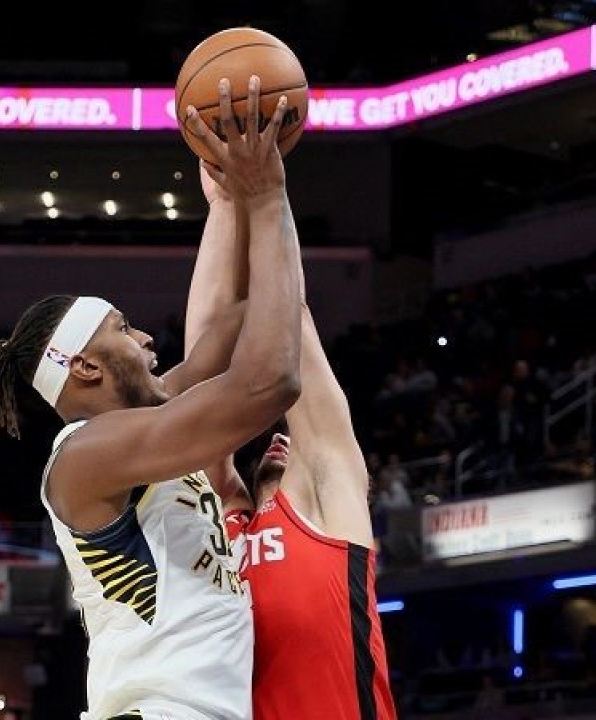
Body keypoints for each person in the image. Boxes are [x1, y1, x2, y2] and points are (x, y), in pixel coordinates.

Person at [0, 76, 300, 720]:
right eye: (123, 327)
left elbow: (228, 328)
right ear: (84, 365)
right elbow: (268, 381)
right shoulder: (87, 454)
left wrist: (230, 200)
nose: (144, 337)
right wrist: (268, 196)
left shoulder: (145, 424)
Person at [182, 115, 397, 719]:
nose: (276, 440)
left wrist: (266, 197)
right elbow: (203, 365)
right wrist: (225, 204)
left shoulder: (328, 508)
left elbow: (291, 325)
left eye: (284, 439)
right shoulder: (225, 530)